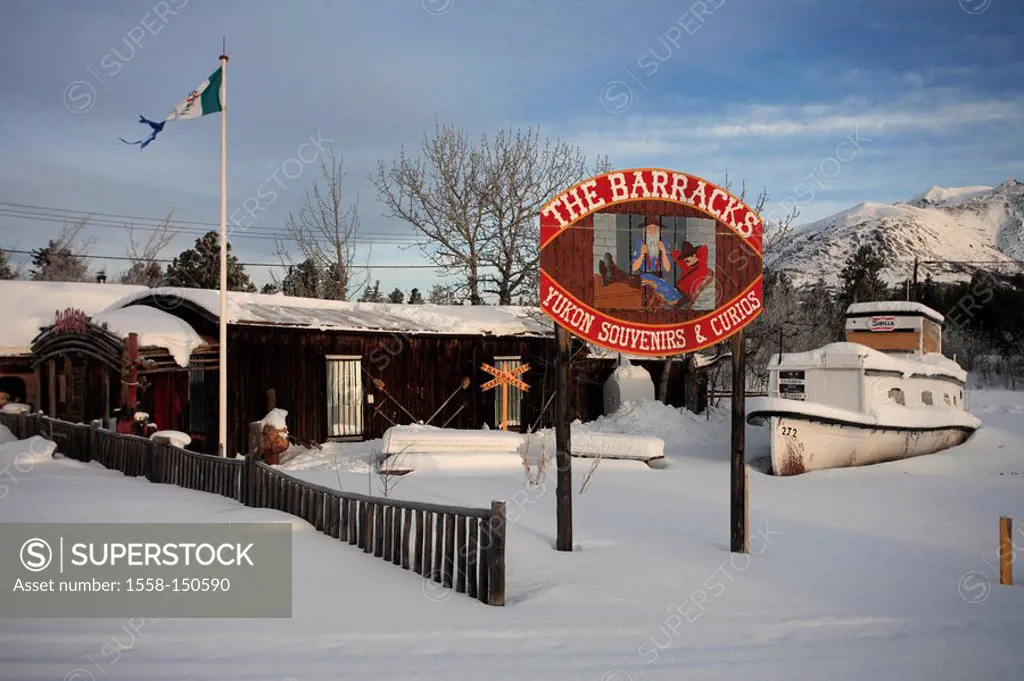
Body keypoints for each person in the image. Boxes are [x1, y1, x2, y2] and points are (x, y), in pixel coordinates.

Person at [671, 241, 712, 306]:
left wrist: (677, 303)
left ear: (694, 255)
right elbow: (675, 254)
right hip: (676, 290)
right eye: (684, 258)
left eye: (687, 257)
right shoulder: (685, 264)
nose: (685, 260)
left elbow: (704, 248)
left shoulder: (702, 265)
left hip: (685, 297)